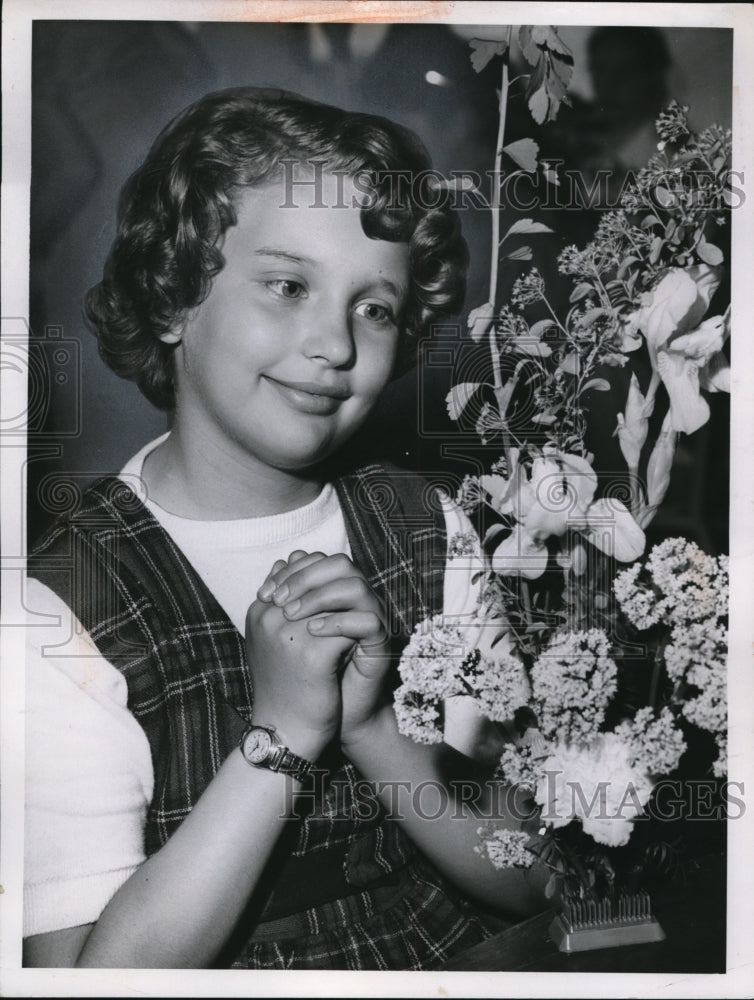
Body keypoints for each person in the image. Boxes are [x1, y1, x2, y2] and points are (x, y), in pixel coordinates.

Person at [23, 88, 547, 970]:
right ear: (172, 297)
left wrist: (376, 731)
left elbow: (536, 876)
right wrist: (280, 738)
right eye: (288, 285)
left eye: (373, 308)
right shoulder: (53, 610)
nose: (335, 346)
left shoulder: (431, 531)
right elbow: (85, 980)